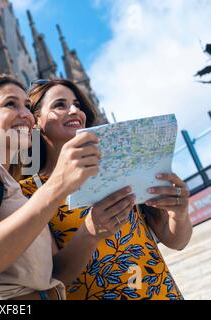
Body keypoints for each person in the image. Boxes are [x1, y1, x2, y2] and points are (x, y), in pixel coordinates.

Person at [0, 73, 121, 300]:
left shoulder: (15, 191)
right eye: (11, 104)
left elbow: (54, 275)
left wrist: (91, 230)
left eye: (28, 107)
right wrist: (59, 184)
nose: (26, 115)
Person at [20, 79, 192, 300]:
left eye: (78, 104)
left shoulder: (120, 165)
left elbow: (176, 241)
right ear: (35, 122)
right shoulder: (28, 193)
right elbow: (52, 279)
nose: (74, 110)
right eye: (60, 105)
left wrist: (180, 212)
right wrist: (90, 233)